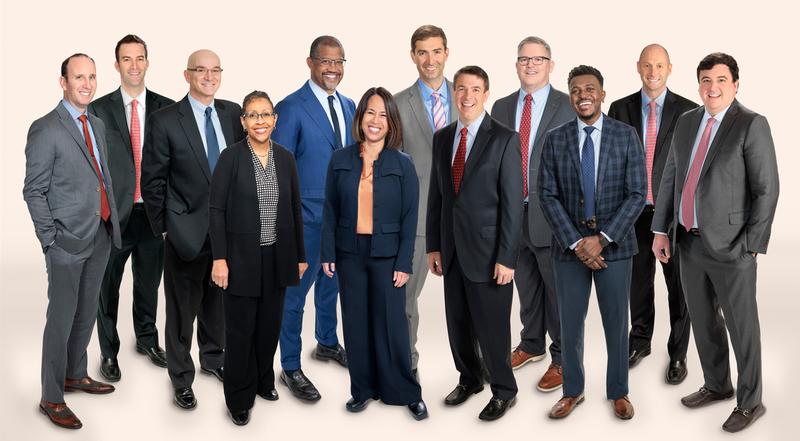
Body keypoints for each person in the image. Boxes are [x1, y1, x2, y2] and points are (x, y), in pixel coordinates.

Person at [651, 52, 779, 433]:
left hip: (732, 246)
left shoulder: (751, 124)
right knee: (704, 321)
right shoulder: (688, 122)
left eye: (721, 80)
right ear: (699, 84)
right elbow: (671, 177)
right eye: (706, 80)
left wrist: (752, 244)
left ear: (735, 85)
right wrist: (661, 229)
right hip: (688, 243)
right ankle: (716, 384)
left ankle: (750, 401)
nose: (713, 87)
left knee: (742, 327)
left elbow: (766, 188)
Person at [539, 65, 645, 420]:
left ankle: (618, 392)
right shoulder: (555, 138)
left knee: (617, 325)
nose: (582, 95)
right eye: (575, 90)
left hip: (615, 247)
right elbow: (547, 195)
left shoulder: (626, 135)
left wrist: (601, 239)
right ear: (570, 96)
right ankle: (572, 392)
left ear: (602, 93)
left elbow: (636, 193)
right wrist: (577, 243)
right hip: (570, 252)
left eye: (590, 88)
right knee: (570, 325)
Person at [141, 49, 244, 409]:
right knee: (182, 311)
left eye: (215, 70)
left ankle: (213, 359)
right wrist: (166, 228)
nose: (209, 76)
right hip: (185, 231)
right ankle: (181, 378)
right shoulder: (166, 119)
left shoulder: (233, 114)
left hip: (226, 233)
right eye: (201, 70)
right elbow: (151, 180)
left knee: (218, 304)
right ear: (187, 75)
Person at [23, 53, 122, 429]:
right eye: (79, 77)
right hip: (65, 240)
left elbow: (102, 177)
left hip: (100, 232)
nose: (87, 84)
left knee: (85, 313)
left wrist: (111, 222)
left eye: (92, 77)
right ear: (63, 82)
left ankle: (75, 373)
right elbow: (34, 190)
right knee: (61, 318)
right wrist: (51, 239)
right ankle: (51, 397)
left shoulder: (95, 123)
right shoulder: (46, 128)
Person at [320, 87, 428, 420]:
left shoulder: (402, 163)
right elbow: (330, 210)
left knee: (393, 325)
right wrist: (328, 253)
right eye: (370, 112)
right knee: (355, 324)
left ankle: (406, 391)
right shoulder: (340, 159)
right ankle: (363, 390)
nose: (375, 120)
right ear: (361, 117)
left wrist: (403, 262)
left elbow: (411, 217)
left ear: (391, 121)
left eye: (383, 114)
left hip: (387, 255)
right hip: (349, 253)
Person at [427, 65, 522, 421]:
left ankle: (504, 390)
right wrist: (433, 246)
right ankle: (469, 378)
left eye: (475, 90)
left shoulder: (504, 138)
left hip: (490, 254)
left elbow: (513, 205)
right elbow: (437, 197)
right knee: (458, 324)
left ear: (486, 94)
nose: (467, 96)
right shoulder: (443, 137)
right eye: (461, 89)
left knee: (493, 327)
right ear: (455, 93)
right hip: (451, 250)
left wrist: (507, 257)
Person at [209, 91, 307, 426]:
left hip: (278, 258)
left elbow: (295, 208)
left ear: (275, 120)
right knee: (240, 333)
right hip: (240, 259)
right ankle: (238, 397)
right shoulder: (230, 158)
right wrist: (219, 258)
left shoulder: (286, 158)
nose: (260, 121)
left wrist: (300, 255)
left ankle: (264, 381)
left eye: (266, 115)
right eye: (253, 115)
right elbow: (217, 211)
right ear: (243, 122)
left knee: (269, 328)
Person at [271, 35, 355, 402]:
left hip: (340, 221)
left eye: (338, 62)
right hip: (303, 222)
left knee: (331, 286)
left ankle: (326, 342)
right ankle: (290, 365)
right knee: (293, 297)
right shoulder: (290, 107)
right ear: (310, 62)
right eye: (325, 61)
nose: (332, 69)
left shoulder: (351, 105)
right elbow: (278, 169)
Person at [608, 44, 698, 383]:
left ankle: (677, 353)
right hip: (632, 212)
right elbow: (610, 160)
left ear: (670, 68)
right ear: (638, 67)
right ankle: (640, 340)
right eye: (647, 65)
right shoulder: (620, 108)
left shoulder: (689, 110)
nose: (653, 72)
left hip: (672, 215)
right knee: (637, 282)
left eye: (659, 65)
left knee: (679, 286)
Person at [490, 36, 574, 392]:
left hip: (552, 215)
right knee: (525, 285)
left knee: (557, 291)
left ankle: (563, 358)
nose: (530, 65)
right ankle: (532, 344)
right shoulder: (502, 107)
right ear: (516, 64)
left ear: (551, 65)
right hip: (511, 214)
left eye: (538, 59)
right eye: (524, 59)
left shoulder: (567, 105)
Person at [88, 34, 175, 382]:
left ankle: (147, 340)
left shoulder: (167, 108)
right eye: (127, 59)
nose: (134, 65)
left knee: (148, 283)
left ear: (148, 63)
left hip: (153, 214)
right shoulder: (99, 109)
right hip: (114, 218)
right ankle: (109, 352)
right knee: (107, 287)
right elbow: (90, 165)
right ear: (117, 65)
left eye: (140, 58)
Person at [394, 25, 456, 374]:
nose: (429, 60)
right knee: (404, 299)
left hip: (463, 217)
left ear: (446, 52)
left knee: (472, 299)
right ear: (413, 56)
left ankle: (475, 368)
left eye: (436, 51)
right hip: (416, 219)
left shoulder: (467, 96)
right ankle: (407, 366)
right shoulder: (399, 103)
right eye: (422, 52)